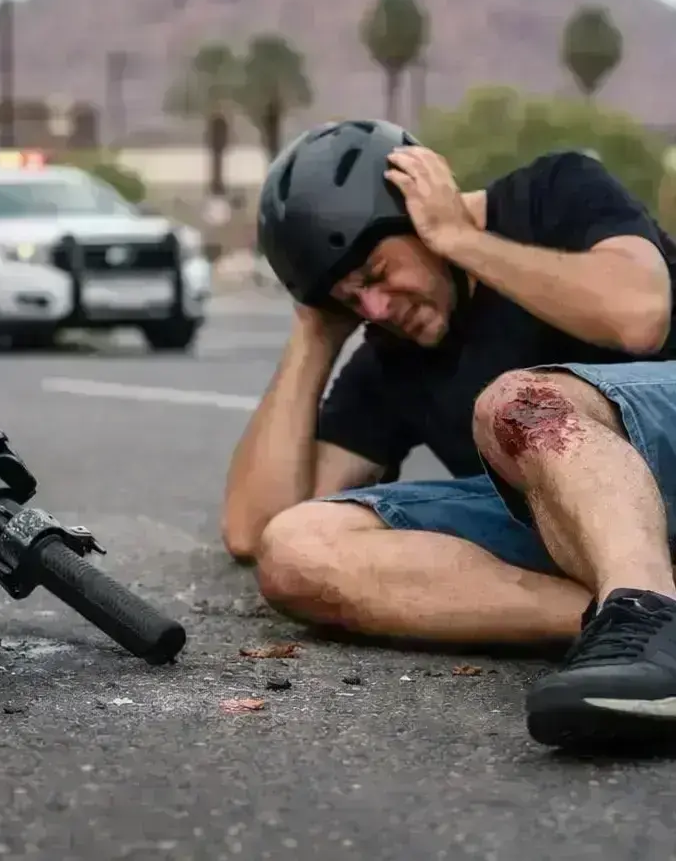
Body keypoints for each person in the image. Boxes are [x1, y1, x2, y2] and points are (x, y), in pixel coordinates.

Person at [221, 118, 676, 752]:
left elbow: (639, 316)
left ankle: (647, 613)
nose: (375, 309)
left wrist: (461, 238)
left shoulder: (551, 192)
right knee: (297, 547)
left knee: (517, 406)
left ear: (419, 207)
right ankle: (629, 624)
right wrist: (314, 332)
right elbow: (252, 527)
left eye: (376, 272)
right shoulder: (391, 353)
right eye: (351, 300)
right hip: (587, 531)